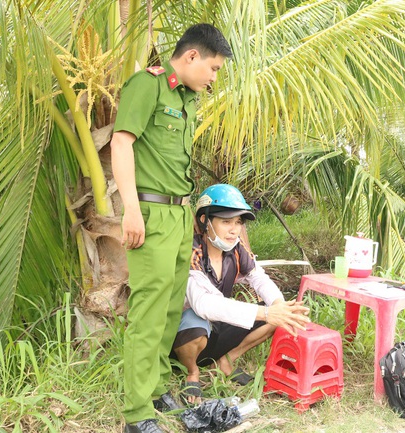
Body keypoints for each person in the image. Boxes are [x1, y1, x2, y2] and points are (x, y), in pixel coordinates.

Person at [111, 24, 233, 433]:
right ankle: (136, 414)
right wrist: (130, 209)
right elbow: (122, 143)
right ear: (192, 57)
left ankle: (157, 386)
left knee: (169, 309)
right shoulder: (149, 86)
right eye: (214, 68)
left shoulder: (188, 99)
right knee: (147, 312)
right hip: (150, 213)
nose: (214, 77)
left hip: (180, 216)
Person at [170, 184, 311, 405]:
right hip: (186, 332)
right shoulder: (192, 251)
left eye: (238, 222)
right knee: (197, 326)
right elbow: (204, 305)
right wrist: (266, 312)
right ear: (205, 221)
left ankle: (226, 361)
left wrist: (279, 306)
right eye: (226, 221)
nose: (234, 230)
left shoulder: (236, 251)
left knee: (278, 319)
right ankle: (192, 371)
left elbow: (259, 277)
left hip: (217, 325)